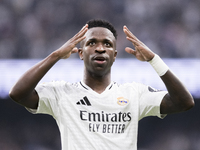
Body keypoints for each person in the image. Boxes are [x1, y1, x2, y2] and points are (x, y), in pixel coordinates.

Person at [9, 19, 194, 150]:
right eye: (92, 43)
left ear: (114, 55)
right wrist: (55, 56)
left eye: (107, 44)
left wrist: (155, 60)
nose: (100, 48)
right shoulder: (62, 94)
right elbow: (18, 93)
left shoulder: (134, 94)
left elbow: (184, 102)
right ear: (80, 53)